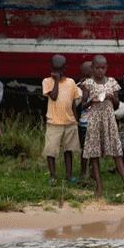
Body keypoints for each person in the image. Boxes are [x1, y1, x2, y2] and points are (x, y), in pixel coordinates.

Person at [80, 55, 124, 196]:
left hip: (109, 121)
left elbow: (116, 105)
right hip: (95, 122)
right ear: (92, 68)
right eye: (97, 68)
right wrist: (92, 101)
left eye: (103, 68)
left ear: (106, 68)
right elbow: (83, 105)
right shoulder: (88, 84)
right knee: (95, 154)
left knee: (116, 152)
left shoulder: (112, 82)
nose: (100, 71)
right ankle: (99, 186)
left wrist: (111, 97)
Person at [42, 55, 81, 185]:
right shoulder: (47, 81)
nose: (57, 72)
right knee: (51, 151)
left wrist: (76, 120)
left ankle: (69, 176)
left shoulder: (71, 82)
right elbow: (53, 96)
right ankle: (53, 176)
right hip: (54, 123)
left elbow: (73, 103)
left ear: (65, 68)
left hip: (69, 122)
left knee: (68, 150)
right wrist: (57, 82)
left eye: (60, 69)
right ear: (50, 67)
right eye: (54, 68)